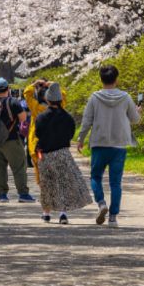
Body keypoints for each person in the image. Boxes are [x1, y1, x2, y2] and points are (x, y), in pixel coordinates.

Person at [76, 65, 141, 228]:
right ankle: (113, 217)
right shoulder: (125, 97)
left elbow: (86, 120)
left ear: (101, 79)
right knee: (115, 182)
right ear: (116, 79)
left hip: (99, 143)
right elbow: (135, 119)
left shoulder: (94, 97)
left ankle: (101, 203)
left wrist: (81, 138)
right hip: (119, 145)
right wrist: (139, 111)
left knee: (95, 176)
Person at [34, 82, 93, 223]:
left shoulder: (41, 117)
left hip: (45, 154)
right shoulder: (68, 118)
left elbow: (38, 134)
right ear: (60, 100)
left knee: (46, 184)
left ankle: (46, 213)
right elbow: (70, 135)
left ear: (47, 100)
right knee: (63, 183)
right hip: (63, 153)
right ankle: (63, 214)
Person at [0, 78, 35, 203]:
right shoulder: (13, 102)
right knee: (19, 167)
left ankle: (2, 194)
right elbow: (23, 118)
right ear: (7, 89)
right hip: (11, 139)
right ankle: (23, 194)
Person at [24, 78, 68, 184]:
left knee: (40, 170)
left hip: (37, 144)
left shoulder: (35, 107)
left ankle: (44, 191)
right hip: (55, 144)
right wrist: (54, 85)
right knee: (55, 171)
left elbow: (27, 94)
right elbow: (63, 96)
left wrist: (34, 84)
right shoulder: (59, 108)